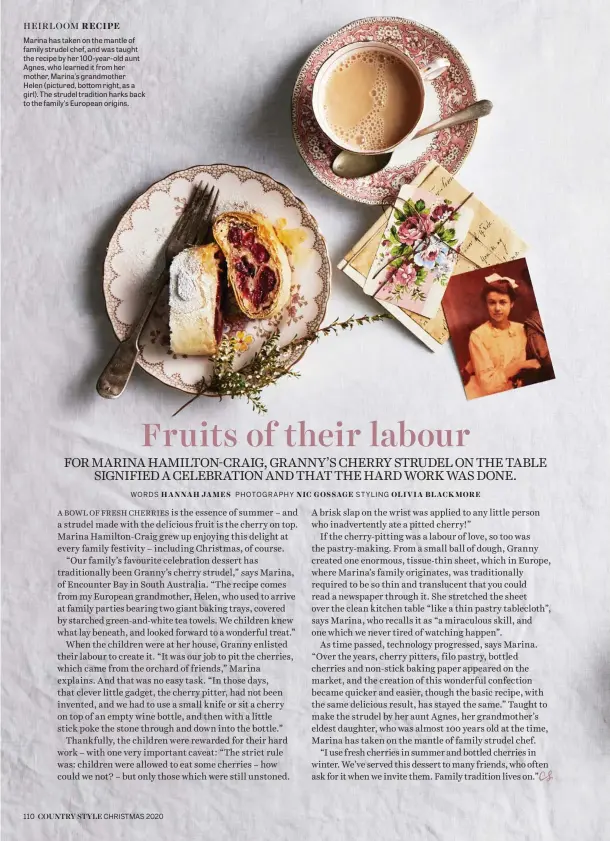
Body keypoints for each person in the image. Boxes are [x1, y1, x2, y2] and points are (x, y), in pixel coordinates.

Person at [465, 275, 540, 400]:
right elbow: (487, 386)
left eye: (503, 302)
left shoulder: (522, 329)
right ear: (486, 305)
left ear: (512, 304)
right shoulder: (478, 336)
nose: (497, 308)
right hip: (483, 396)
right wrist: (519, 365)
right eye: (492, 303)